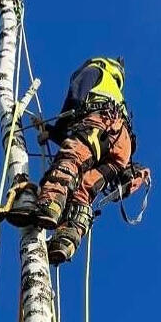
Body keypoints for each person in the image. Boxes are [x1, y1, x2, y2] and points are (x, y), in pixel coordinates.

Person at [34, 56, 135, 265]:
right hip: (122, 145)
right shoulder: (116, 93)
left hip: (101, 123)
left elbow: (75, 97)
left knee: (71, 160)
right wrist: (52, 133)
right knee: (85, 188)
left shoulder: (95, 70)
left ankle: (51, 204)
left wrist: (56, 131)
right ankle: (66, 239)